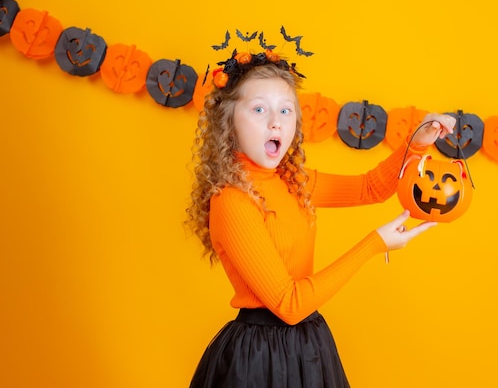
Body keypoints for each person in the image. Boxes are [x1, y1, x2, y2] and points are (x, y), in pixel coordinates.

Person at [185, 49, 455, 388]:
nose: (275, 122)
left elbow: (369, 188)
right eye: (259, 109)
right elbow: (289, 303)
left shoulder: (291, 181)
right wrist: (374, 244)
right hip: (259, 361)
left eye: (285, 110)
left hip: (308, 347)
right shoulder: (232, 201)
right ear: (228, 121)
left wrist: (415, 144)